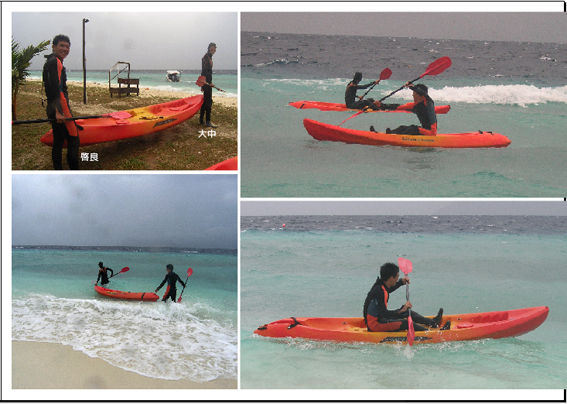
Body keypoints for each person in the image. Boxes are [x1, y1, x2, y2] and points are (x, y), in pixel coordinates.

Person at [363, 262, 450, 332]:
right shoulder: (379, 291)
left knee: (408, 313)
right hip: (375, 325)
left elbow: (389, 289)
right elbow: (384, 314)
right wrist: (400, 311)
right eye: (397, 277)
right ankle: (433, 334)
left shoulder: (381, 285)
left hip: (380, 319)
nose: (398, 278)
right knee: (406, 322)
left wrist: (401, 282)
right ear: (391, 278)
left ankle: (433, 323)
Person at [42, 34, 80, 170]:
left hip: (52, 107)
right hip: (60, 107)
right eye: (61, 46)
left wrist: (54, 109)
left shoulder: (50, 61)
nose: (65, 49)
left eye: (67, 47)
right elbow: (56, 88)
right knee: (74, 140)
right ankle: (74, 171)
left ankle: (58, 169)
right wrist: (59, 111)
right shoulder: (55, 62)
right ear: (54, 47)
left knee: (58, 140)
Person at [371, 83, 437, 136]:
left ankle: (395, 138)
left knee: (413, 128)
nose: (412, 95)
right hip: (423, 130)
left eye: (414, 93)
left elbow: (425, 95)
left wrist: (412, 87)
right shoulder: (414, 105)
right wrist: (381, 105)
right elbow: (397, 107)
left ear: (418, 94)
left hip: (431, 133)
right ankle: (389, 134)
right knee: (402, 127)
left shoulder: (428, 104)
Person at [199, 42, 218, 128]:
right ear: (209, 48)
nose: (213, 49)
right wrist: (209, 83)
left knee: (205, 101)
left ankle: (201, 120)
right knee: (208, 102)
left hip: (206, 82)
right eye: (212, 48)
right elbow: (205, 72)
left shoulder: (208, 57)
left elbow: (206, 72)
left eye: (214, 48)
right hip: (207, 82)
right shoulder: (206, 58)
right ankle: (207, 121)